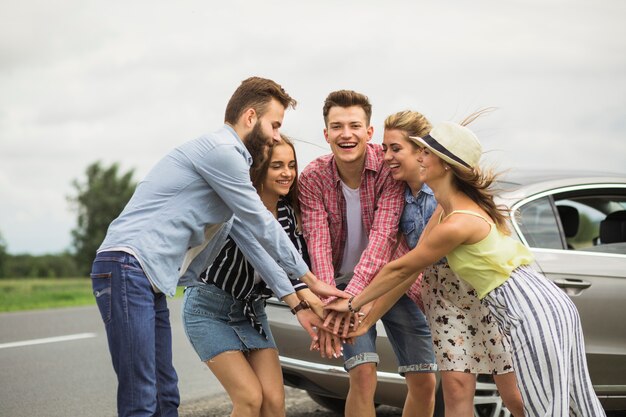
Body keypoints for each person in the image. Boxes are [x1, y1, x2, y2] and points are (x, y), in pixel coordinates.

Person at [90, 77, 347, 417]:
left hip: (145, 276)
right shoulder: (223, 153)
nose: (274, 136)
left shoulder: (229, 169)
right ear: (251, 117)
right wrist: (310, 280)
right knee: (142, 394)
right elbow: (261, 223)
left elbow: (254, 244)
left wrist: (301, 299)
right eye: (274, 125)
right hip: (126, 265)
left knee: (166, 393)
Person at [327, 118, 606, 416]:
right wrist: (365, 316)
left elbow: (400, 268)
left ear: (445, 164)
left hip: (528, 306)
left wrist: (354, 303)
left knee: (545, 405)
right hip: (520, 302)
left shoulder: (458, 221)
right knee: (563, 401)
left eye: (427, 153)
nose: (420, 157)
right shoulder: (449, 210)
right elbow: (407, 269)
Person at [299, 90, 437, 417]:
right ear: (326, 134)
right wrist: (333, 305)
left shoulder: (389, 169)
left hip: (393, 283)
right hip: (339, 289)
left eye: (354, 125)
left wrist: (352, 305)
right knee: (362, 375)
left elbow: (383, 240)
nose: (346, 134)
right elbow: (317, 245)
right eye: (337, 126)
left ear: (368, 132)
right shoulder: (313, 176)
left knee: (424, 378)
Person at [381, 110, 523, 417]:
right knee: (456, 388)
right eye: (384, 149)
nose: (387, 157)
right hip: (443, 297)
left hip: (483, 290)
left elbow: (405, 266)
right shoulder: (399, 195)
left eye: (396, 148)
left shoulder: (447, 200)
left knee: (515, 394)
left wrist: (358, 309)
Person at [183, 136, 323, 417]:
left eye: (291, 165)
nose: (287, 173)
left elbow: (291, 266)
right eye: (277, 166)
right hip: (209, 310)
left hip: (252, 313)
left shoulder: (286, 212)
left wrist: (316, 305)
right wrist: (301, 304)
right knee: (249, 399)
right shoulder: (235, 207)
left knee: (273, 403)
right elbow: (267, 260)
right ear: (258, 169)